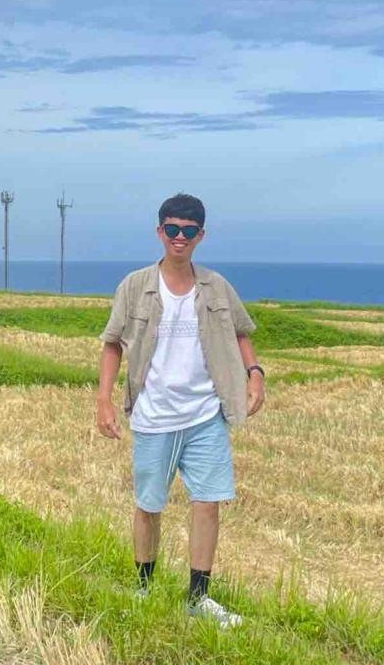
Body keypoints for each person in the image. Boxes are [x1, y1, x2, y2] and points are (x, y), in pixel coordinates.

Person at [96, 193, 265, 628]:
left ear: (200, 236)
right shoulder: (135, 286)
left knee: (208, 503)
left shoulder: (216, 287)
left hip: (206, 414)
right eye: (172, 229)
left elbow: (241, 332)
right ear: (159, 232)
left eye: (188, 231)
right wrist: (104, 400)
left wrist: (255, 373)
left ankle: (198, 597)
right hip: (153, 416)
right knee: (149, 505)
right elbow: (112, 343)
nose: (179, 237)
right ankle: (143, 588)